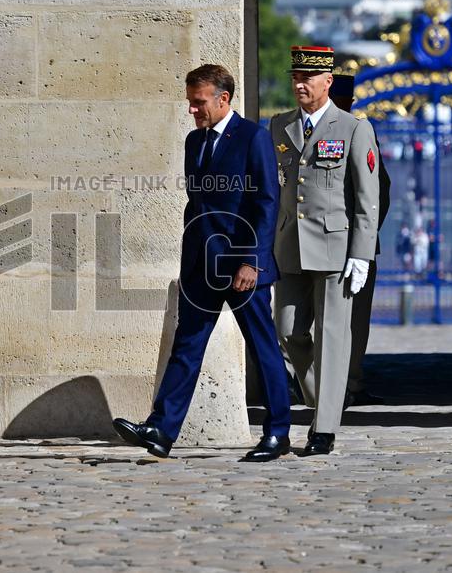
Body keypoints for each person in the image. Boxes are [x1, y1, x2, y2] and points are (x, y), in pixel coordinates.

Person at [111, 64, 291, 462]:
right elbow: (199, 204)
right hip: (201, 266)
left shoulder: (253, 138)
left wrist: (252, 262)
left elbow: (265, 204)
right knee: (186, 348)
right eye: (190, 102)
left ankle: (278, 433)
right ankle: (161, 429)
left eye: (199, 101)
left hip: (242, 268)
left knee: (263, 349)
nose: (192, 109)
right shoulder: (195, 142)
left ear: (223, 99)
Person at [271, 45, 379, 456]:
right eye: (295, 78)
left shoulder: (352, 128)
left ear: (327, 82)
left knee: (333, 337)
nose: (299, 84)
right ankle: (324, 401)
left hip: (337, 248)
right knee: (289, 331)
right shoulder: (279, 126)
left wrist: (361, 254)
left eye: (308, 79)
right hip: (292, 247)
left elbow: (366, 198)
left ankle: (324, 428)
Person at [327, 74, 391, 409]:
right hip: (318, 242)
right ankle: (324, 381)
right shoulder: (298, 130)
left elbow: (379, 191)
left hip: (355, 243)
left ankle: (349, 382)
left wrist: (363, 237)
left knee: (355, 321)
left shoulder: (359, 131)